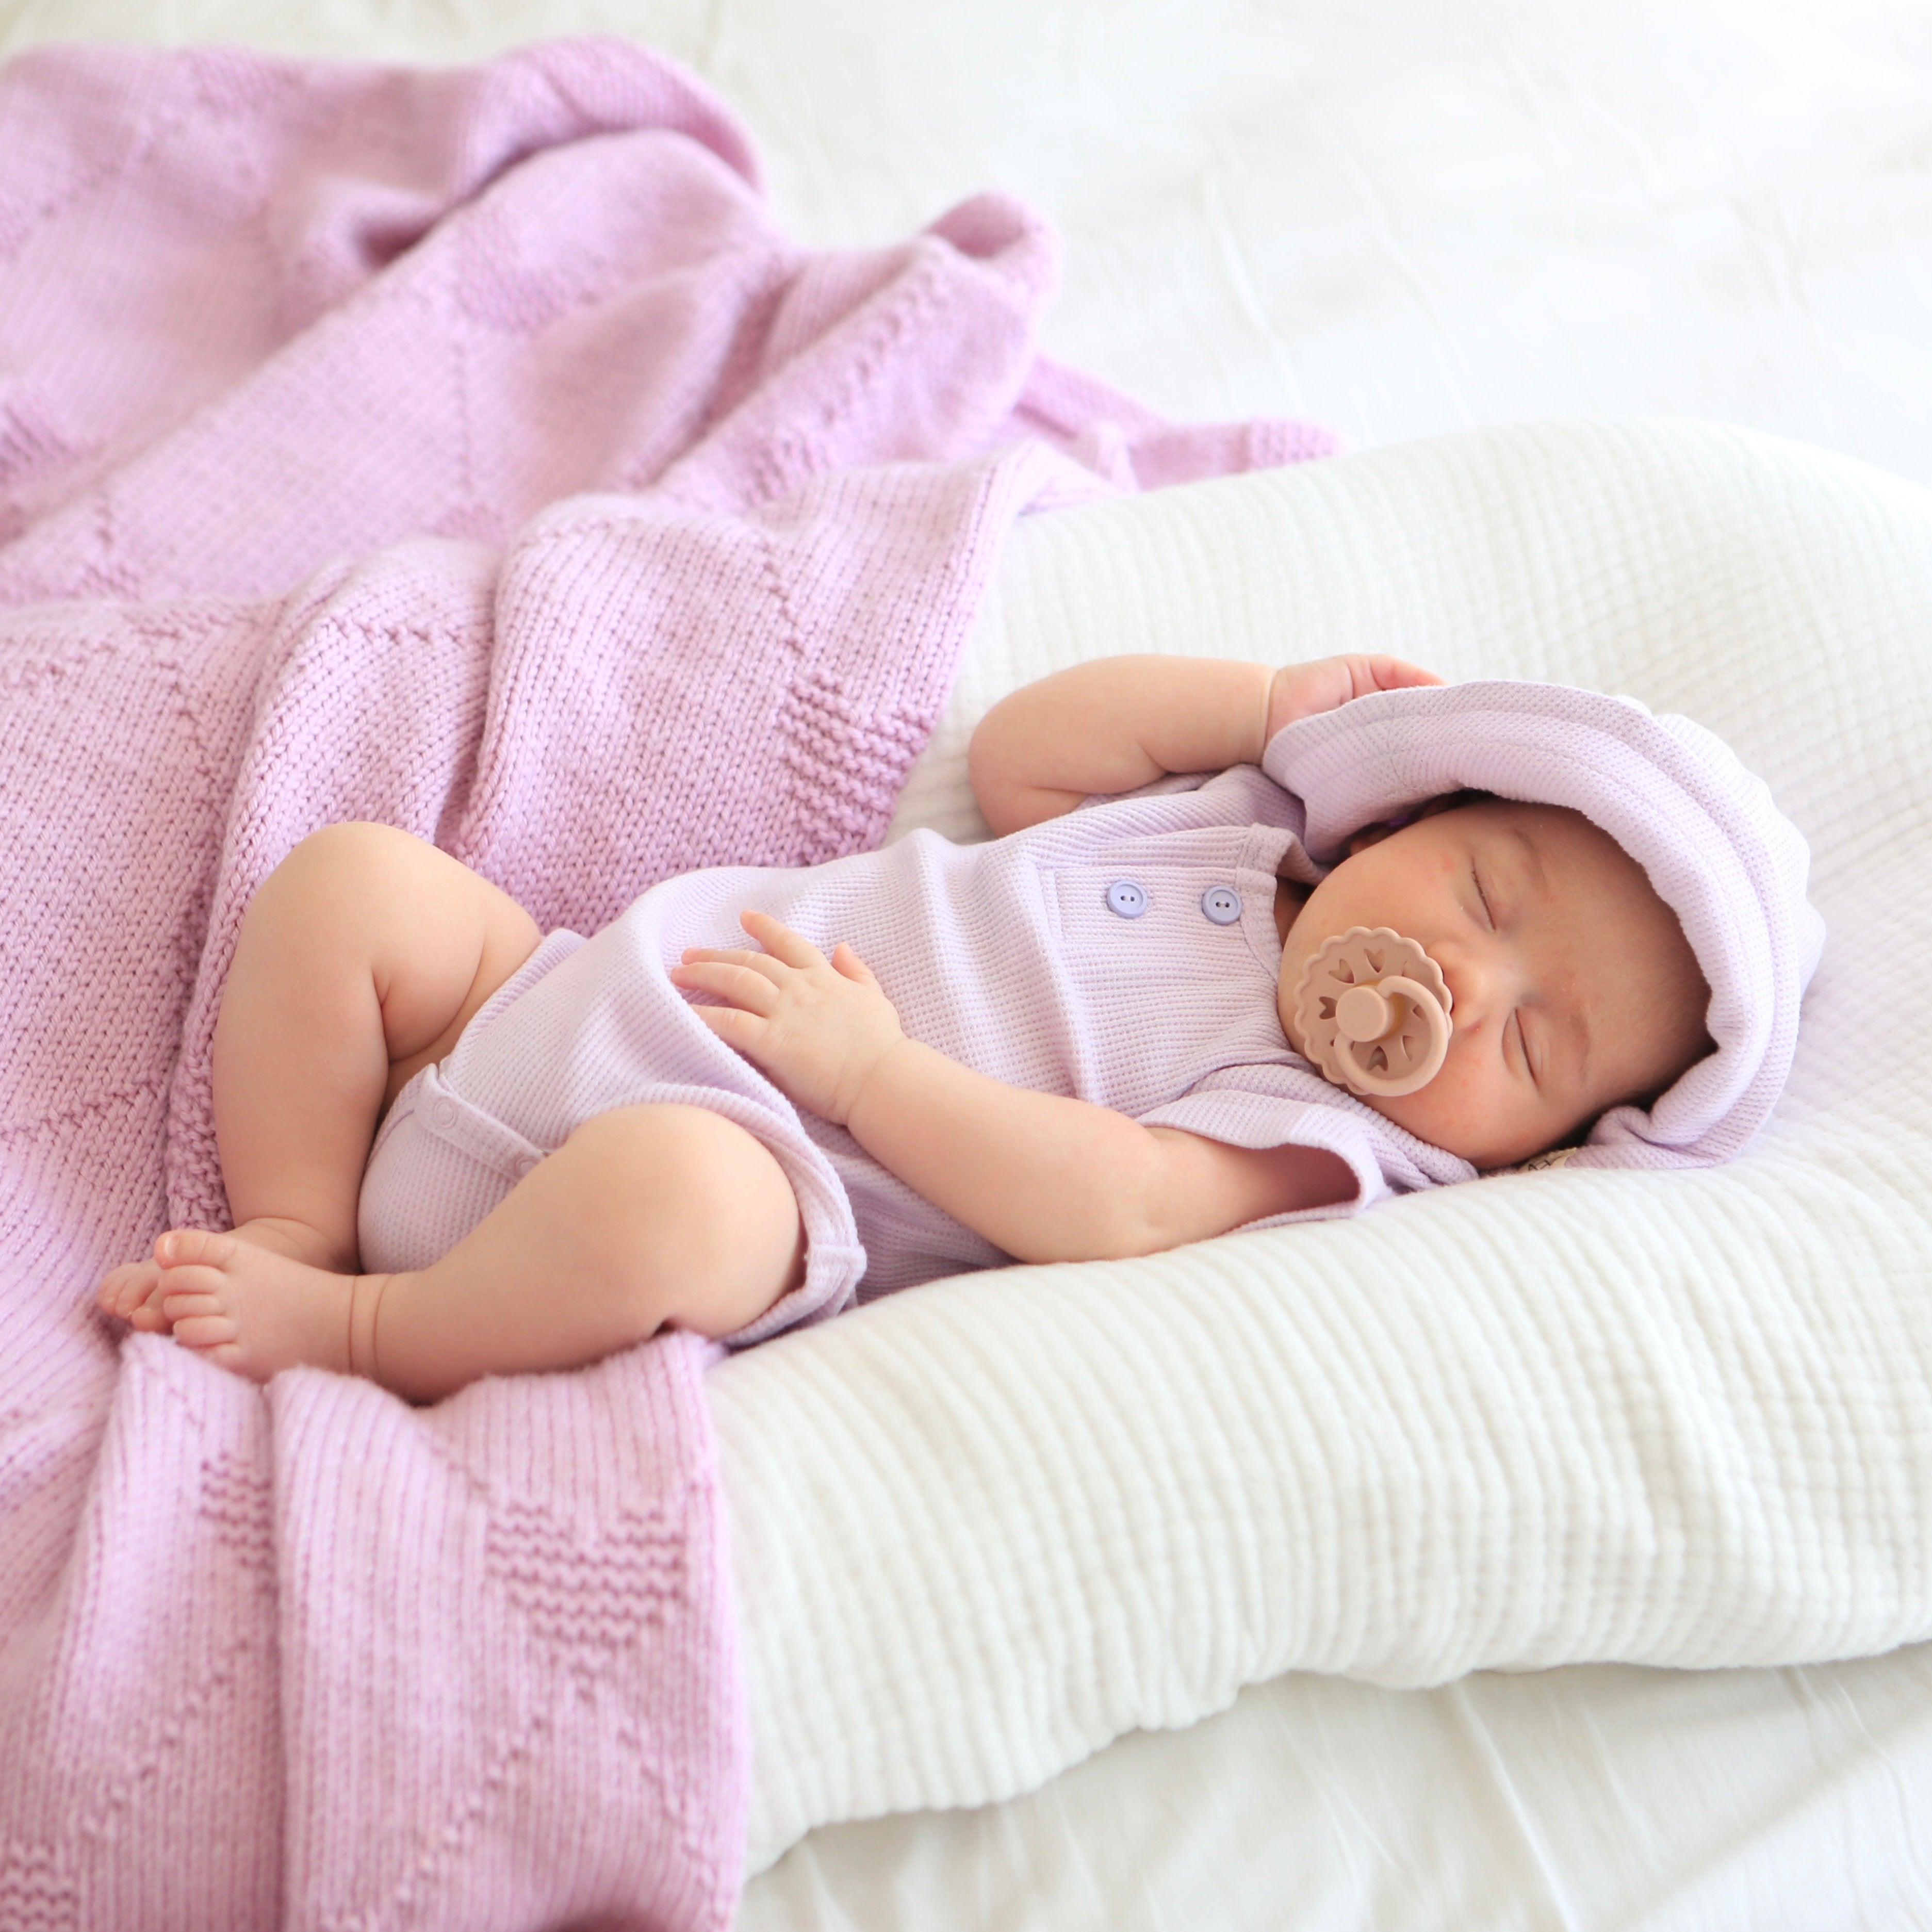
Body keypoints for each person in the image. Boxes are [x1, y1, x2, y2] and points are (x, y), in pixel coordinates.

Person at [96, 654, 1732, 1401]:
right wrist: (1253, 713)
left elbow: (1122, 1198)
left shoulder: (1316, 1129)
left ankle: (368, 1330)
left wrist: (873, 1075)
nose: (1464, 989)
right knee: (354, 884)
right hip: (538, 998)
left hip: (746, 1164)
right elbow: (1027, 755)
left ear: (1541, 1148)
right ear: (1395, 821)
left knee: (687, 1191)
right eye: (1489, 898)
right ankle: (301, 1220)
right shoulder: (1231, 828)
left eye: (1530, 1049)